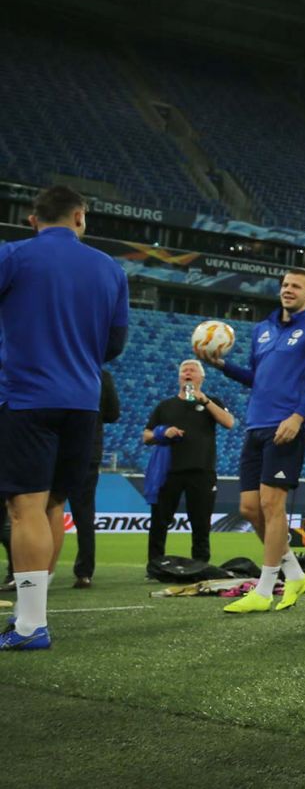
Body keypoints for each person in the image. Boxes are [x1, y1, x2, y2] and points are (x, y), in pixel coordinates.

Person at [0, 185, 129, 651]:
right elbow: (114, 344)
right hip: (83, 402)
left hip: (27, 397)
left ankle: (31, 624)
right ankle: (35, 613)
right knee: (54, 504)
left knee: (25, 508)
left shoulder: (12, 255)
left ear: (33, 220)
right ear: (80, 217)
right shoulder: (111, 268)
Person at [207, 269, 305, 614]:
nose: (288, 290)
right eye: (285, 285)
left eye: (296, 286)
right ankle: (294, 574)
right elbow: (256, 378)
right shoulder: (262, 329)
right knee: (249, 509)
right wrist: (222, 365)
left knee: (271, 506)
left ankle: (264, 590)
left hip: (285, 427)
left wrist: (298, 416)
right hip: (255, 427)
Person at [142, 360, 235, 563]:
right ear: (179, 377)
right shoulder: (165, 406)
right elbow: (146, 436)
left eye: (192, 370)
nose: (188, 373)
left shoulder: (212, 401)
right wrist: (163, 432)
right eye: (184, 370)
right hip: (168, 471)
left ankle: (201, 563)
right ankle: (156, 563)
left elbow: (229, 422)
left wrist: (206, 401)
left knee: (201, 522)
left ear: (201, 378)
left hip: (202, 471)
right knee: (159, 521)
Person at [67, 370, 122, 588]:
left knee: (40, 509)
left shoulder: (57, 366)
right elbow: (113, 414)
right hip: (88, 449)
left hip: (51, 447)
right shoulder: (101, 374)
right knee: (84, 515)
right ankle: (84, 572)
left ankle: (34, 570)